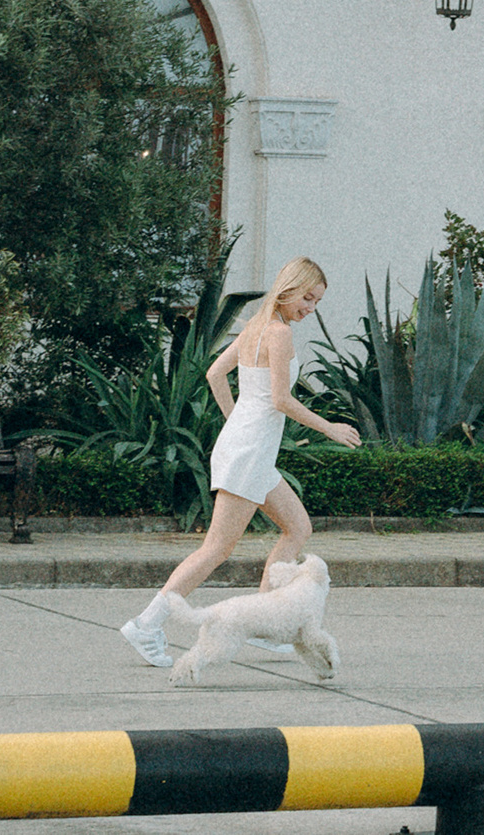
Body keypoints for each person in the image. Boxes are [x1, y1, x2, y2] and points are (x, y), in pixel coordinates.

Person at [120, 256, 362, 666]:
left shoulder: (254, 327)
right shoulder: (278, 333)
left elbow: (216, 374)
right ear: (288, 289)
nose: (311, 308)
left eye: (317, 301)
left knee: (298, 527)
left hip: (249, 449)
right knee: (215, 549)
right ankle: (146, 624)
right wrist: (330, 429)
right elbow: (282, 400)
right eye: (307, 297)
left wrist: (237, 421)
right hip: (249, 452)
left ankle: (267, 626)